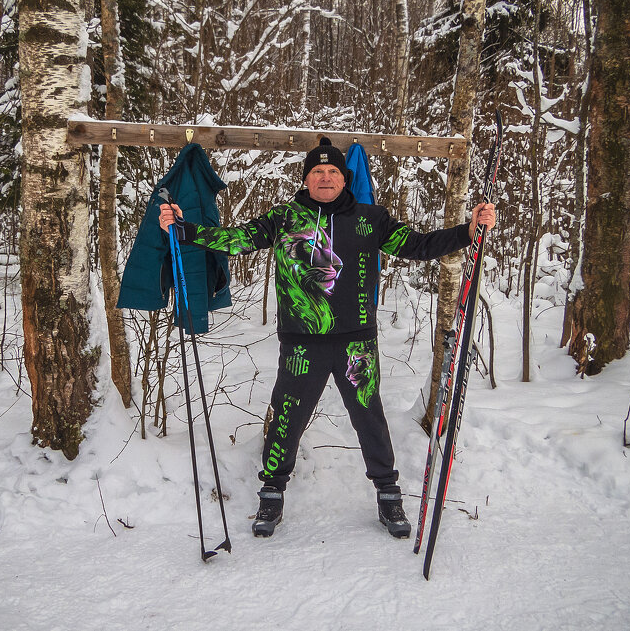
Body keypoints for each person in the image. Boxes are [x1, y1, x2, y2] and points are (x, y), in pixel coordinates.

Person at [158, 137, 496, 539]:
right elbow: (239, 239)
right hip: (303, 343)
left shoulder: (371, 218)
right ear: (306, 178)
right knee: (287, 418)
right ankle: (271, 492)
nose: (325, 177)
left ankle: (388, 494)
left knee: (370, 419)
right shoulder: (285, 217)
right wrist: (185, 230)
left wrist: (469, 230)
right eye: (317, 171)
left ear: (344, 178)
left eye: (333, 171)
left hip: (357, 343)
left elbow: (419, 246)